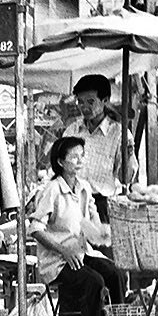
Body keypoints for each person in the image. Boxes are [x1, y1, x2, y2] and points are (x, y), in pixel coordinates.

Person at [29, 136, 123, 316]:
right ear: (61, 162)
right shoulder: (51, 190)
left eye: (82, 155)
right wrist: (63, 250)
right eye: (74, 156)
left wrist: (103, 232)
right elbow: (35, 228)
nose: (80, 160)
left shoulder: (84, 188)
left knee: (114, 274)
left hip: (82, 254)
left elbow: (92, 225)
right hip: (57, 261)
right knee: (93, 281)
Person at [61, 74, 137, 223]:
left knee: (102, 245)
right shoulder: (71, 131)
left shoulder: (119, 134)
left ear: (105, 100)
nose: (84, 107)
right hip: (73, 204)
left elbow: (125, 179)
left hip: (103, 207)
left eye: (90, 102)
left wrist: (128, 154)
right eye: (80, 102)